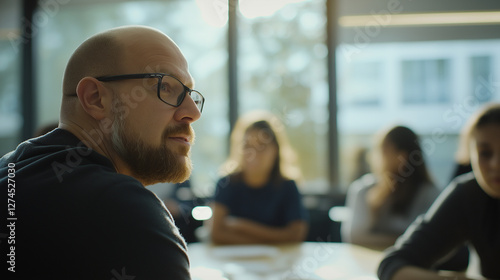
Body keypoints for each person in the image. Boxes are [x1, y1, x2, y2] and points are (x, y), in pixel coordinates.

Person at [0, 25, 205, 279]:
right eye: (165, 87)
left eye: (190, 93)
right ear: (96, 98)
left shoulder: (13, 169)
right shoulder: (122, 210)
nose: (192, 113)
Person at [378, 103, 500, 280]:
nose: (496, 164)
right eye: (485, 153)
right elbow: (392, 266)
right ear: (470, 155)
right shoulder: (468, 195)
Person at [210, 111, 308, 244]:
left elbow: (296, 234)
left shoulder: (288, 186)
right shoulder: (226, 182)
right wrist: (271, 238)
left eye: (261, 147)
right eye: (247, 146)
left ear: (276, 150)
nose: (253, 154)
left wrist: (242, 226)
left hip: (278, 262)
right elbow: (215, 233)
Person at [342, 125, 440, 250]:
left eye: (383, 151)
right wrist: (373, 210)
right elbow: (354, 237)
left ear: (402, 156)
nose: (375, 157)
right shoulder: (364, 190)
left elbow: (431, 241)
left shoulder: (430, 194)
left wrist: (383, 240)